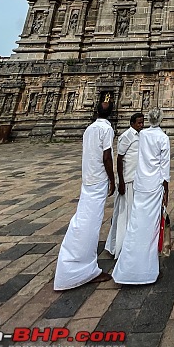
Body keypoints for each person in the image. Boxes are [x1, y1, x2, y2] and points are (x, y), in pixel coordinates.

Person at [54, 100, 115, 290]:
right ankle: (83, 269)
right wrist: (112, 179)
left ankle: (79, 264)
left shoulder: (89, 129)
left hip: (88, 178)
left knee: (85, 218)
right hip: (98, 180)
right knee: (91, 222)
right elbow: (106, 156)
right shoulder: (107, 130)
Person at [112, 108, 170, 286]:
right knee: (152, 227)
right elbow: (164, 167)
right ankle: (147, 271)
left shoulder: (142, 135)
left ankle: (127, 269)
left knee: (136, 224)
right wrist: (166, 190)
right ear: (160, 120)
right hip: (154, 185)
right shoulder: (163, 138)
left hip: (140, 184)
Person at [105, 112, 144, 258]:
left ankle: (132, 243)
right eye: (139, 123)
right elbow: (120, 159)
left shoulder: (141, 135)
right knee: (123, 214)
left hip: (136, 179)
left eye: (142, 122)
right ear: (132, 123)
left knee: (133, 213)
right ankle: (118, 245)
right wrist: (120, 181)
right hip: (126, 180)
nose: (141, 125)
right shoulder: (126, 136)